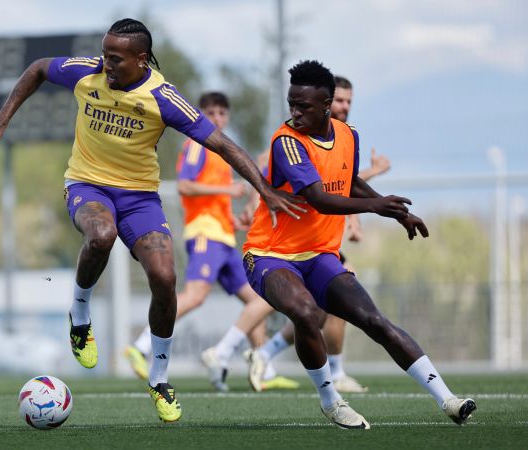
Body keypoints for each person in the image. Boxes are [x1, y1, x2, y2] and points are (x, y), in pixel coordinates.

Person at [0, 19, 304, 423]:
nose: (105, 63)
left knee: (165, 278)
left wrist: (263, 188)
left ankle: (159, 378)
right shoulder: (87, 72)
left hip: (140, 198)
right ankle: (81, 314)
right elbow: (38, 67)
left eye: (115, 57)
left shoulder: (163, 97)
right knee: (101, 235)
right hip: (87, 185)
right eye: (105, 53)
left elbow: (223, 144)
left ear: (141, 59)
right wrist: (3, 119)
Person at [241, 59, 476, 429]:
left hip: (320, 255)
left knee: (375, 321)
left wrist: (397, 212)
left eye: (304, 106)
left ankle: (447, 399)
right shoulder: (286, 141)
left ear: (326, 104)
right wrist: (376, 206)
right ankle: (331, 400)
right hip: (269, 254)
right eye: (292, 104)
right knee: (304, 312)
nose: (296, 112)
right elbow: (319, 198)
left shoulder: (348, 136)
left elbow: (349, 183)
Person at [125, 92, 298, 392]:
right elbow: (185, 185)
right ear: (201, 115)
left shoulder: (219, 152)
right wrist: (226, 190)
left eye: (221, 112)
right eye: (211, 113)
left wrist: (232, 219)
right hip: (205, 236)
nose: (217, 118)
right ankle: (140, 346)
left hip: (223, 236)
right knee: (194, 296)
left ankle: (262, 369)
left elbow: (212, 200)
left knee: (258, 300)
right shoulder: (196, 144)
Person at [244, 76, 393, 394]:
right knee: (308, 304)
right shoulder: (293, 139)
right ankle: (327, 374)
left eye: (350, 102)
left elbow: (342, 182)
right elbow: (321, 190)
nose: (345, 107)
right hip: (285, 244)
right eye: (340, 100)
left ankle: (266, 354)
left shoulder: (346, 136)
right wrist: (372, 202)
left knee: (319, 308)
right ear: (326, 103)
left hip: (320, 241)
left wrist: (356, 215)